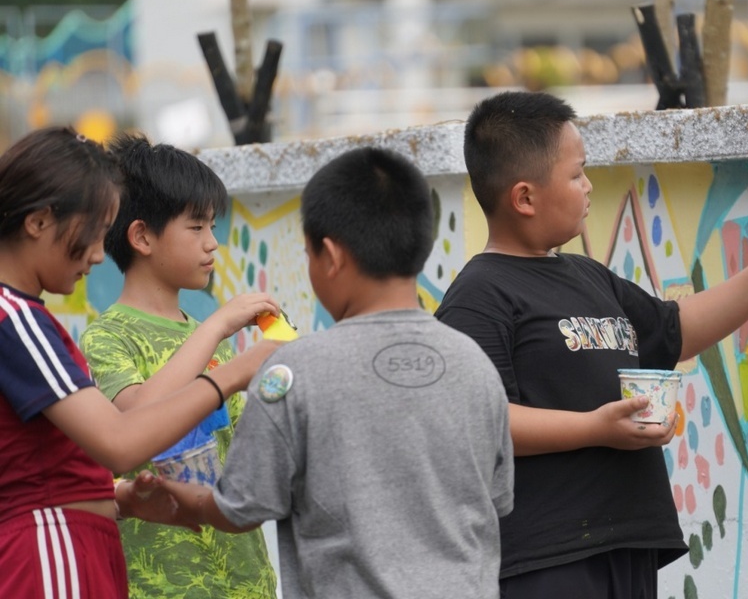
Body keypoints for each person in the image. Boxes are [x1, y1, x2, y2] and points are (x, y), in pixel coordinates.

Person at [433, 91, 748, 598]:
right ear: (524, 198)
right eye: (576, 174)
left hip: (626, 544)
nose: (589, 187)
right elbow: (482, 420)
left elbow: (674, 331)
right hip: (547, 560)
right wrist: (596, 428)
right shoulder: (479, 296)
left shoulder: (589, 276)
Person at [161, 147, 514, 599]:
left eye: (308, 254)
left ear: (330, 256)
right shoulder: (474, 364)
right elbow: (498, 498)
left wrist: (164, 500)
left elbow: (239, 508)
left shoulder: (292, 373)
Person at [0, 127, 281, 599]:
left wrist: (125, 498)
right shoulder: (18, 320)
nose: (96, 254)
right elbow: (120, 438)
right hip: (57, 554)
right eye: (90, 234)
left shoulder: (26, 319)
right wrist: (232, 368)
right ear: (39, 222)